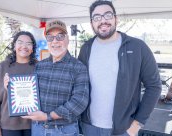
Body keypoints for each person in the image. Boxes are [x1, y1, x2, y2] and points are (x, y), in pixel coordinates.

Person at [78, 1, 162, 136]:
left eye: (108, 15)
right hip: (89, 127)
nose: (103, 21)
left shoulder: (138, 47)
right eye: (97, 17)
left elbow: (154, 86)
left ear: (116, 18)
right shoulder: (86, 49)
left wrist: (137, 124)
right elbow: (79, 85)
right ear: (92, 23)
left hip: (123, 130)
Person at [19, 20, 89, 136]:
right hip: (38, 129)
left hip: (64, 131)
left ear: (67, 40)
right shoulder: (40, 66)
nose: (55, 41)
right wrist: (13, 89)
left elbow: (79, 102)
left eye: (60, 36)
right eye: (50, 37)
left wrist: (48, 116)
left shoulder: (78, 67)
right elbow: (30, 92)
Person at [0, 31, 37, 136]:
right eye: (20, 42)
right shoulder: (2, 68)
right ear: (14, 46)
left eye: (28, 43)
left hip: (35, 125)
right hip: (9, 126)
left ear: (32, 48)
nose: (24, 46)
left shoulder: (39, 67)